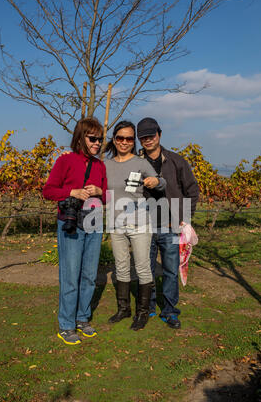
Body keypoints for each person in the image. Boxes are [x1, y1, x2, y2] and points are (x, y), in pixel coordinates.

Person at [43, 117, 107, 345]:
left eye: (100, 139)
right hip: (70, 222)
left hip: (95, 221)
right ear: (81, 138)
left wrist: (100, 190)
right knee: (70, 275)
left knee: (89, 275)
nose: (98, 143)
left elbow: (108, 196)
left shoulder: (100, 165)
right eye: (93, 138)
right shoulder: (65, 161)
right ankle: (67, 324)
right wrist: (72, 192)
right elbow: (48, 190)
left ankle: (82, 318)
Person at [137, 117, 199, 329]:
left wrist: (185, 218)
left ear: (159, 134)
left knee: (171, 270)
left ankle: (170, 311)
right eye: (143, 137)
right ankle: (150, 305)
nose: (147, 140)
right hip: (145, 226)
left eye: (151, 135)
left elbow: (192, 191)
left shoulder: (176, 161)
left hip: (171, 226)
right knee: (148, 268)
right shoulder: (136, 163)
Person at [104, 120, 166, 331]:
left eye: (129, 138)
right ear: (114, 139)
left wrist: (155, 182)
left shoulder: (140, 163)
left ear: (133, 141)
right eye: (120, 138)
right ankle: (124, 309)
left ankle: (142, 312)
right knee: (121, 266)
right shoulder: (106, 164)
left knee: (142, 267)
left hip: (140, 224)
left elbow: (161, 181)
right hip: (116, 224)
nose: (124, 142)